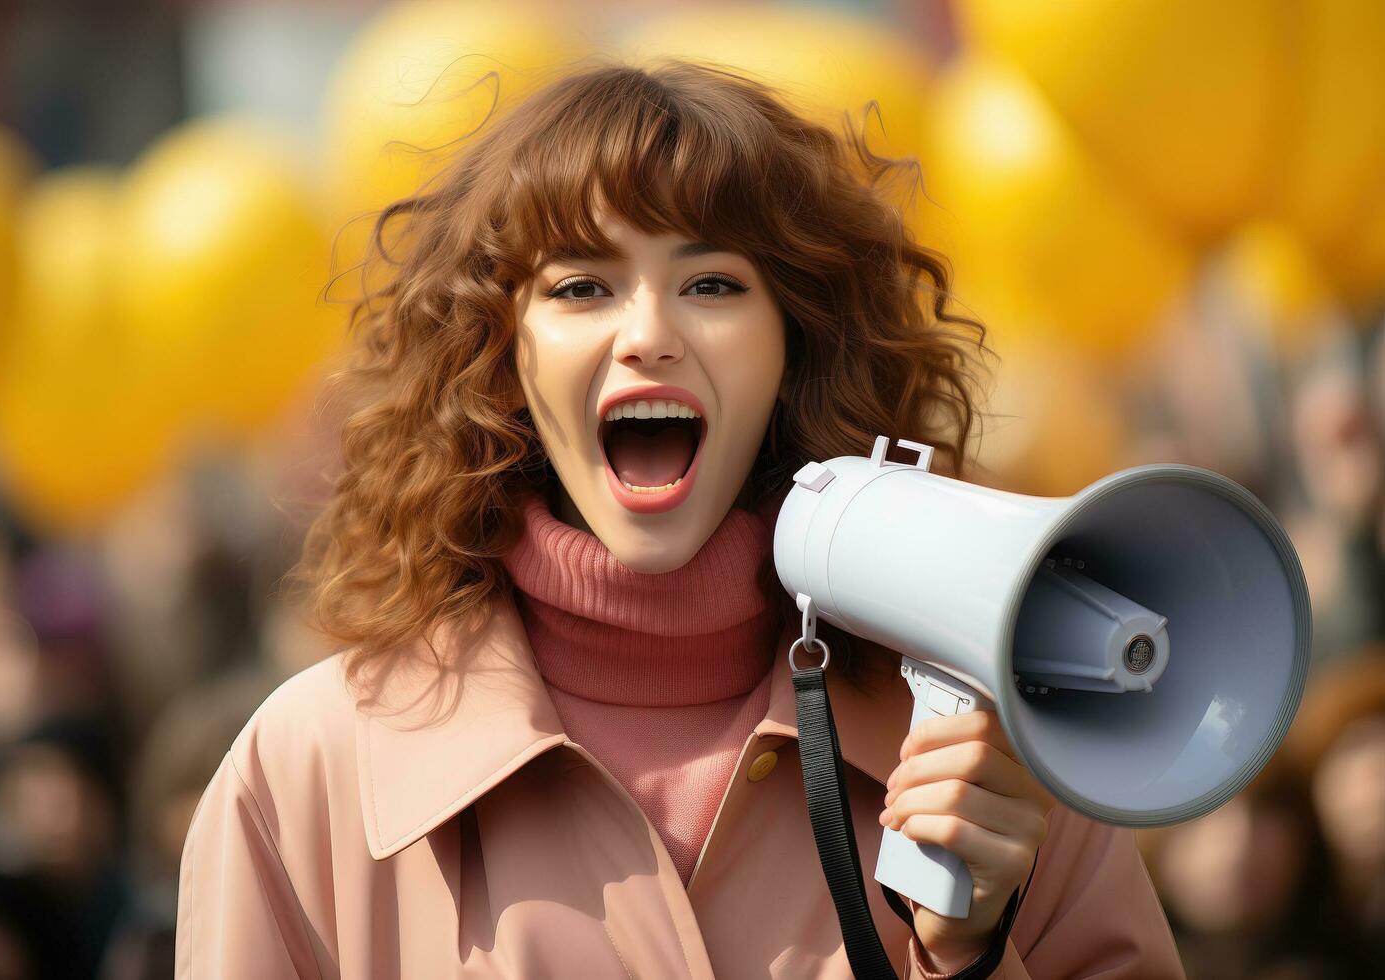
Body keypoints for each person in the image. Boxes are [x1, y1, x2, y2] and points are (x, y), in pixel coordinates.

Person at [176, 60, 1183, 978]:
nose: (649, 334)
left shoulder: (1001, 758)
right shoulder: (304, 777)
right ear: (498, 357)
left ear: (796, 344)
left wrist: (970, 957)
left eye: (711, 284)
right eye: (581, 286)